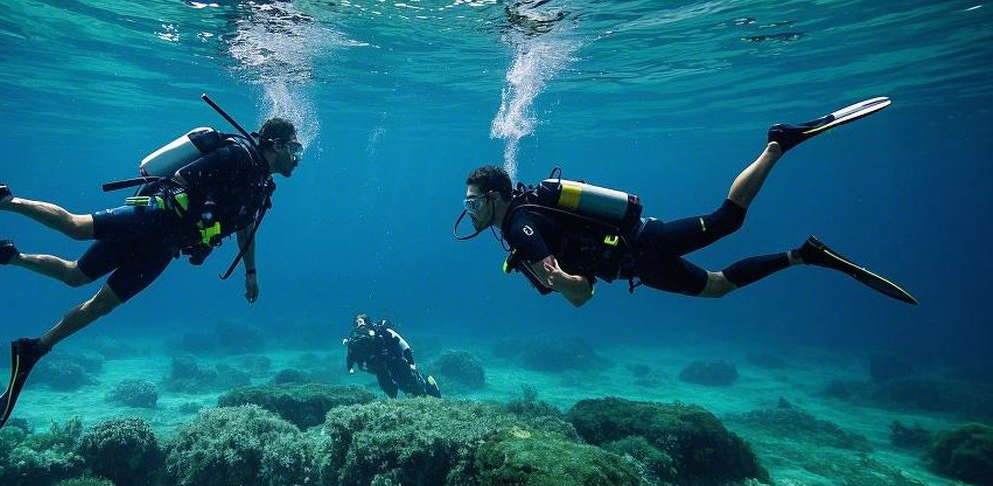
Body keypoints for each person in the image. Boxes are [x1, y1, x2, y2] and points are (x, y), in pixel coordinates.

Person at [0, 113, 303, 440]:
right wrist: (202, 212)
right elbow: (181, 179)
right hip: (152, 215)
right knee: (76, 227)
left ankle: (23, 307)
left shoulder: (262, 187)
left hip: (165, 247)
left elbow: (246, 228)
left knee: (81, 284)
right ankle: (0, 200)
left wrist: (250, 272)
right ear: (278, 144)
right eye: (295, 148)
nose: (298, 158)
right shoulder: (237, 156)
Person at [456, 97, 917, 307]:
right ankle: (804, 255)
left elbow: (579, 294)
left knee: (727, 220)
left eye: (475, 203)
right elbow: (584, 291)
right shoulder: (524, 219)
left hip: (644, 243)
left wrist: (561, 282)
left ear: (496, 198)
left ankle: (778, 144)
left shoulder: (520, 228)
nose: (469, 211)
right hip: (638, 264)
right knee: (718, 286)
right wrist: (567, 283)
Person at [343, 314, 442, 398]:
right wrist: (352, 367)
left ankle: (427, 381)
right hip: (381, 369)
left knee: (413, 389)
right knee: (390, 392)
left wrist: (411, 364)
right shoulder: (357, 342)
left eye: (361, 322)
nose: (360, 326)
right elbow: (352, 357)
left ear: (368, 323)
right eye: (356, 324)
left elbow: (404, 346)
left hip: (396, 362)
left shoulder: (384, 332)